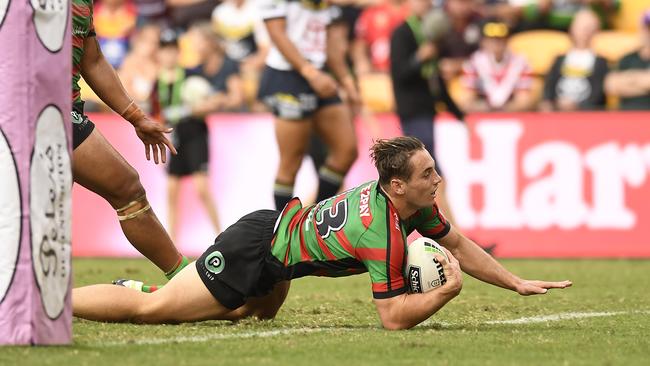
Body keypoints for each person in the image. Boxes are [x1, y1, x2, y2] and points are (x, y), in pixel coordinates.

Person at [73, 136, 572, 329]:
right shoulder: (383, 232)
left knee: (248, 312)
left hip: (278, 255)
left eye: (434, 171)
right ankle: (52, 298)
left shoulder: (403, 206)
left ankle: (155, 290)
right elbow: (394, 319)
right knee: (156, 311)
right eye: (427, 175)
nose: (437, 181)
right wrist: (449, 289)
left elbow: (457, 242)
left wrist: (515, 282)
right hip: (257, 249)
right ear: (398, 185)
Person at [71, 0, 189, 281]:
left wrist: (136, 116)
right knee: (126, 188)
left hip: (64, 111)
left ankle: (187, 281)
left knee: (126, 189)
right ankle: (187, 280)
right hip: (27, 113)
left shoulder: (82, 2)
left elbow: (94, 60)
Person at [257, 0, 360, 210]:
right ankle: (283, 232)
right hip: (288, 77)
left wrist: (348, 82)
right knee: (291, 162)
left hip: (319, 73)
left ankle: (314, 216)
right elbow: (277, 34)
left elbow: (330, 42)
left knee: (347, 150)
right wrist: (310, 73)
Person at [390, 0, 465, 229]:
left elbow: (436, 82)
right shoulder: (402, 33)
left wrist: (458, 113)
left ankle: (453, 234)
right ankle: (454, 236)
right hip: (413, 113)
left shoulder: (428, 35)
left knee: (431, 178)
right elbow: (399, 74)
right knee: (431, 177)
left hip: (424, 114)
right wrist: (418, 59)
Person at [460, 18, 535, 112]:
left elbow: (524, 101)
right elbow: (466, 101)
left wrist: (503, 110)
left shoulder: (521, 63)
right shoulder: (473, 63)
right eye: (492, 39)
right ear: (483, 42)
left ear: (507, 41)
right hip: (483, 116)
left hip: (511, 116)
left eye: (501, 39)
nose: (497, 43)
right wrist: (487, 109)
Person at [540, 9, 608, 112]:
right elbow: (549, 86)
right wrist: (549, 103)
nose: (584, 32)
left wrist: (578, 106)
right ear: (572, 29)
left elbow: (598, 93)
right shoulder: (559, 59)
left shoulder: (601, 62)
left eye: (589, 28)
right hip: (557, 111)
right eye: (581, 27)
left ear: (596, 31)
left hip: (586, 114)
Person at [604, 10, 650, 111]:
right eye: (648, 28)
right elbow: (611, 85)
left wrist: (629, 78)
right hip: (627, 117)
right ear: (641, 29)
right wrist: (645, 81)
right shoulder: (628, 58)